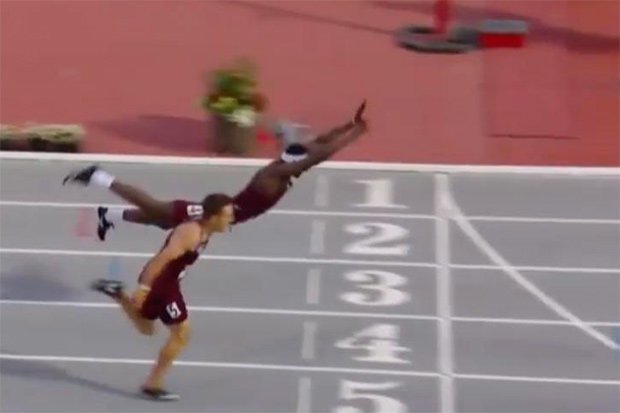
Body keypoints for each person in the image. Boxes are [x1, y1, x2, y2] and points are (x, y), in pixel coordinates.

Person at [63, 100, 368, 240]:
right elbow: (319, 156)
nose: (304, 164)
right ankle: (98, 176)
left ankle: (109, 215)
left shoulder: (286, 166)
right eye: (301, 163)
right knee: (155, 208)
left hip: (219, 213)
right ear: (293, 163)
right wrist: (356, 135)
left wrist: (349, 126)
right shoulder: (274, 175)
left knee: (160, 222)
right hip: (211, 213)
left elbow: (320, 145)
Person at [91, 193, 234, 400]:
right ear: (212, 217)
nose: (231, 220)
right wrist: (143, 288)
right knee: (181, 332)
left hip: (168, 282)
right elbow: (161, 260)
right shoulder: (190, 234)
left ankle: (118, 293)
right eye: (227, 216)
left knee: (146, 328)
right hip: (161, 284)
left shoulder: (205, 229)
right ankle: (153, 384)